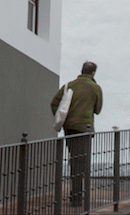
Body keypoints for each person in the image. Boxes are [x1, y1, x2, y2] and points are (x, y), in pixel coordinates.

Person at [51, 61, 102, 207]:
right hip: (85, 130)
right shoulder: (95, 88)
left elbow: (54, 102)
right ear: (93, 73)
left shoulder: (69, 85)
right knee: (82, 162)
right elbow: (98, 110)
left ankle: (76, 195)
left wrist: (62, 118)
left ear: (82, 71)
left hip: (70, 128)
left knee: (74, 159)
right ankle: (78, 197)